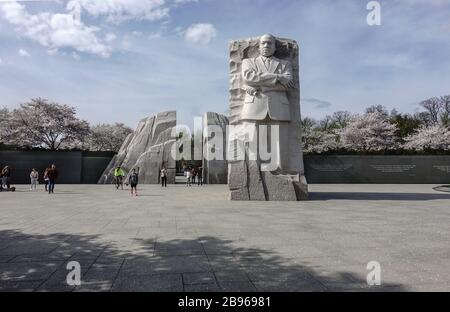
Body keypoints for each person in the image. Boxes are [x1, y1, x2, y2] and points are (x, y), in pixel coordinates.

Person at [239, 34, 295, 172]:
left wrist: (260, 85)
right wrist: (277, 77)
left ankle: (280, 170)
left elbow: (288, 85)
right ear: (258, 46)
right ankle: (253, 171)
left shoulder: (285, 64)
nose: (266, 46)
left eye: (270, 43)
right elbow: (248, 78)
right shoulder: (248, 62)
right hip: (253, 106)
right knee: (252, 140)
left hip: (279, 107)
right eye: (263, 43)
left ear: (275, 47)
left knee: (279, 141)